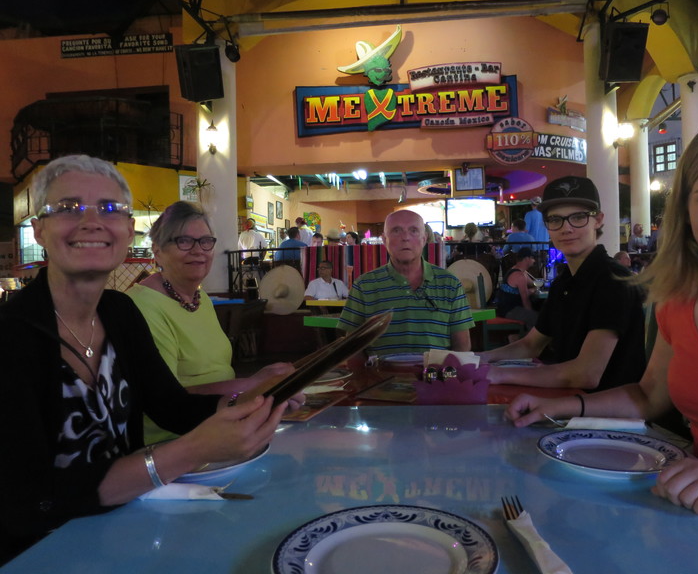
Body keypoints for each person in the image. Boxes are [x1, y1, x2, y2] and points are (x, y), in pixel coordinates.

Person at [0, 155, 296, 565]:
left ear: (127, 230)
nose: (92, 221)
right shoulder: (12, 334)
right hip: (42, 551)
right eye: (68, 207)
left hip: (126, 527)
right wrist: (189, 451)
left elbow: (170, 405)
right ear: (39, 229)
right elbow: (28, 501)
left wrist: (256, 399)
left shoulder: (119, 312)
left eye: (109, 209)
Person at [506, 116, 698, 522]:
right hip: (695, 519)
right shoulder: (679, 301)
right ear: (687, 210)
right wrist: (560, 407)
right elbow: (648, 396)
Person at [127, 201, 296, 444]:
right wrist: (251, 386)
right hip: (174, 446)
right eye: (184, 241)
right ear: (158, 251)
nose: (198, 250)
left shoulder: (200, 298)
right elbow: (168, 401)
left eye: (205, 241)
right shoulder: (142, 305)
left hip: (220, 426)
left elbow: (214, 373)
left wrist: (261, 379)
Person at [480, 175, 646, 392]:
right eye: (555, 219)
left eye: (578, 217)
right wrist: (479, 358)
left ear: (598, 220)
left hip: (607, 409)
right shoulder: (564, 283)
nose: (566, 228)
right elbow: (530, 345)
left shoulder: (614, 280)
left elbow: (586, 374)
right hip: (568, 401)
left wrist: (499, 374)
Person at [338, 209, 474, 355]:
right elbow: (352, 350)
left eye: (413, 231)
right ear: (384, 239)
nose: (405, 238)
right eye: (396, 231)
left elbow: (462, 347)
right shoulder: (364, 286)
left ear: (424, 239)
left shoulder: (450, 284)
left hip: (437, 370)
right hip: (381, 370)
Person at [495, 247, 539, 330]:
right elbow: (526, 301)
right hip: (509, 311)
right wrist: (531, 313)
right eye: (532, 258)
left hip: (506, 308)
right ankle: (525, 337)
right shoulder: (519, 275)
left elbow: (533, 283)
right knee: (535, 317)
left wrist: (532, 289)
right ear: (527, 259)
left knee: (537, 313)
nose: (534, 260)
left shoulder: (518, 270)